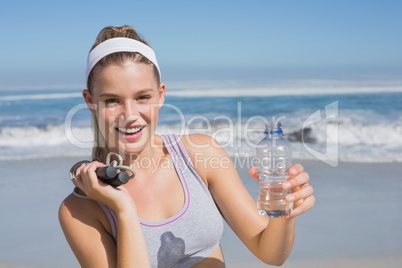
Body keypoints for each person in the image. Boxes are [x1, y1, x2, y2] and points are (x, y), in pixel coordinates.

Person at [59, 25, 315, 268]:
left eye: (142, 97)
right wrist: (124, 210)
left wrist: (284, 209)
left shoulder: (200, 154)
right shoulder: (80, 209)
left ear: (160, 95)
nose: (130, 114)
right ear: (90, 101)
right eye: (112, 101)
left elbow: (270, 253)